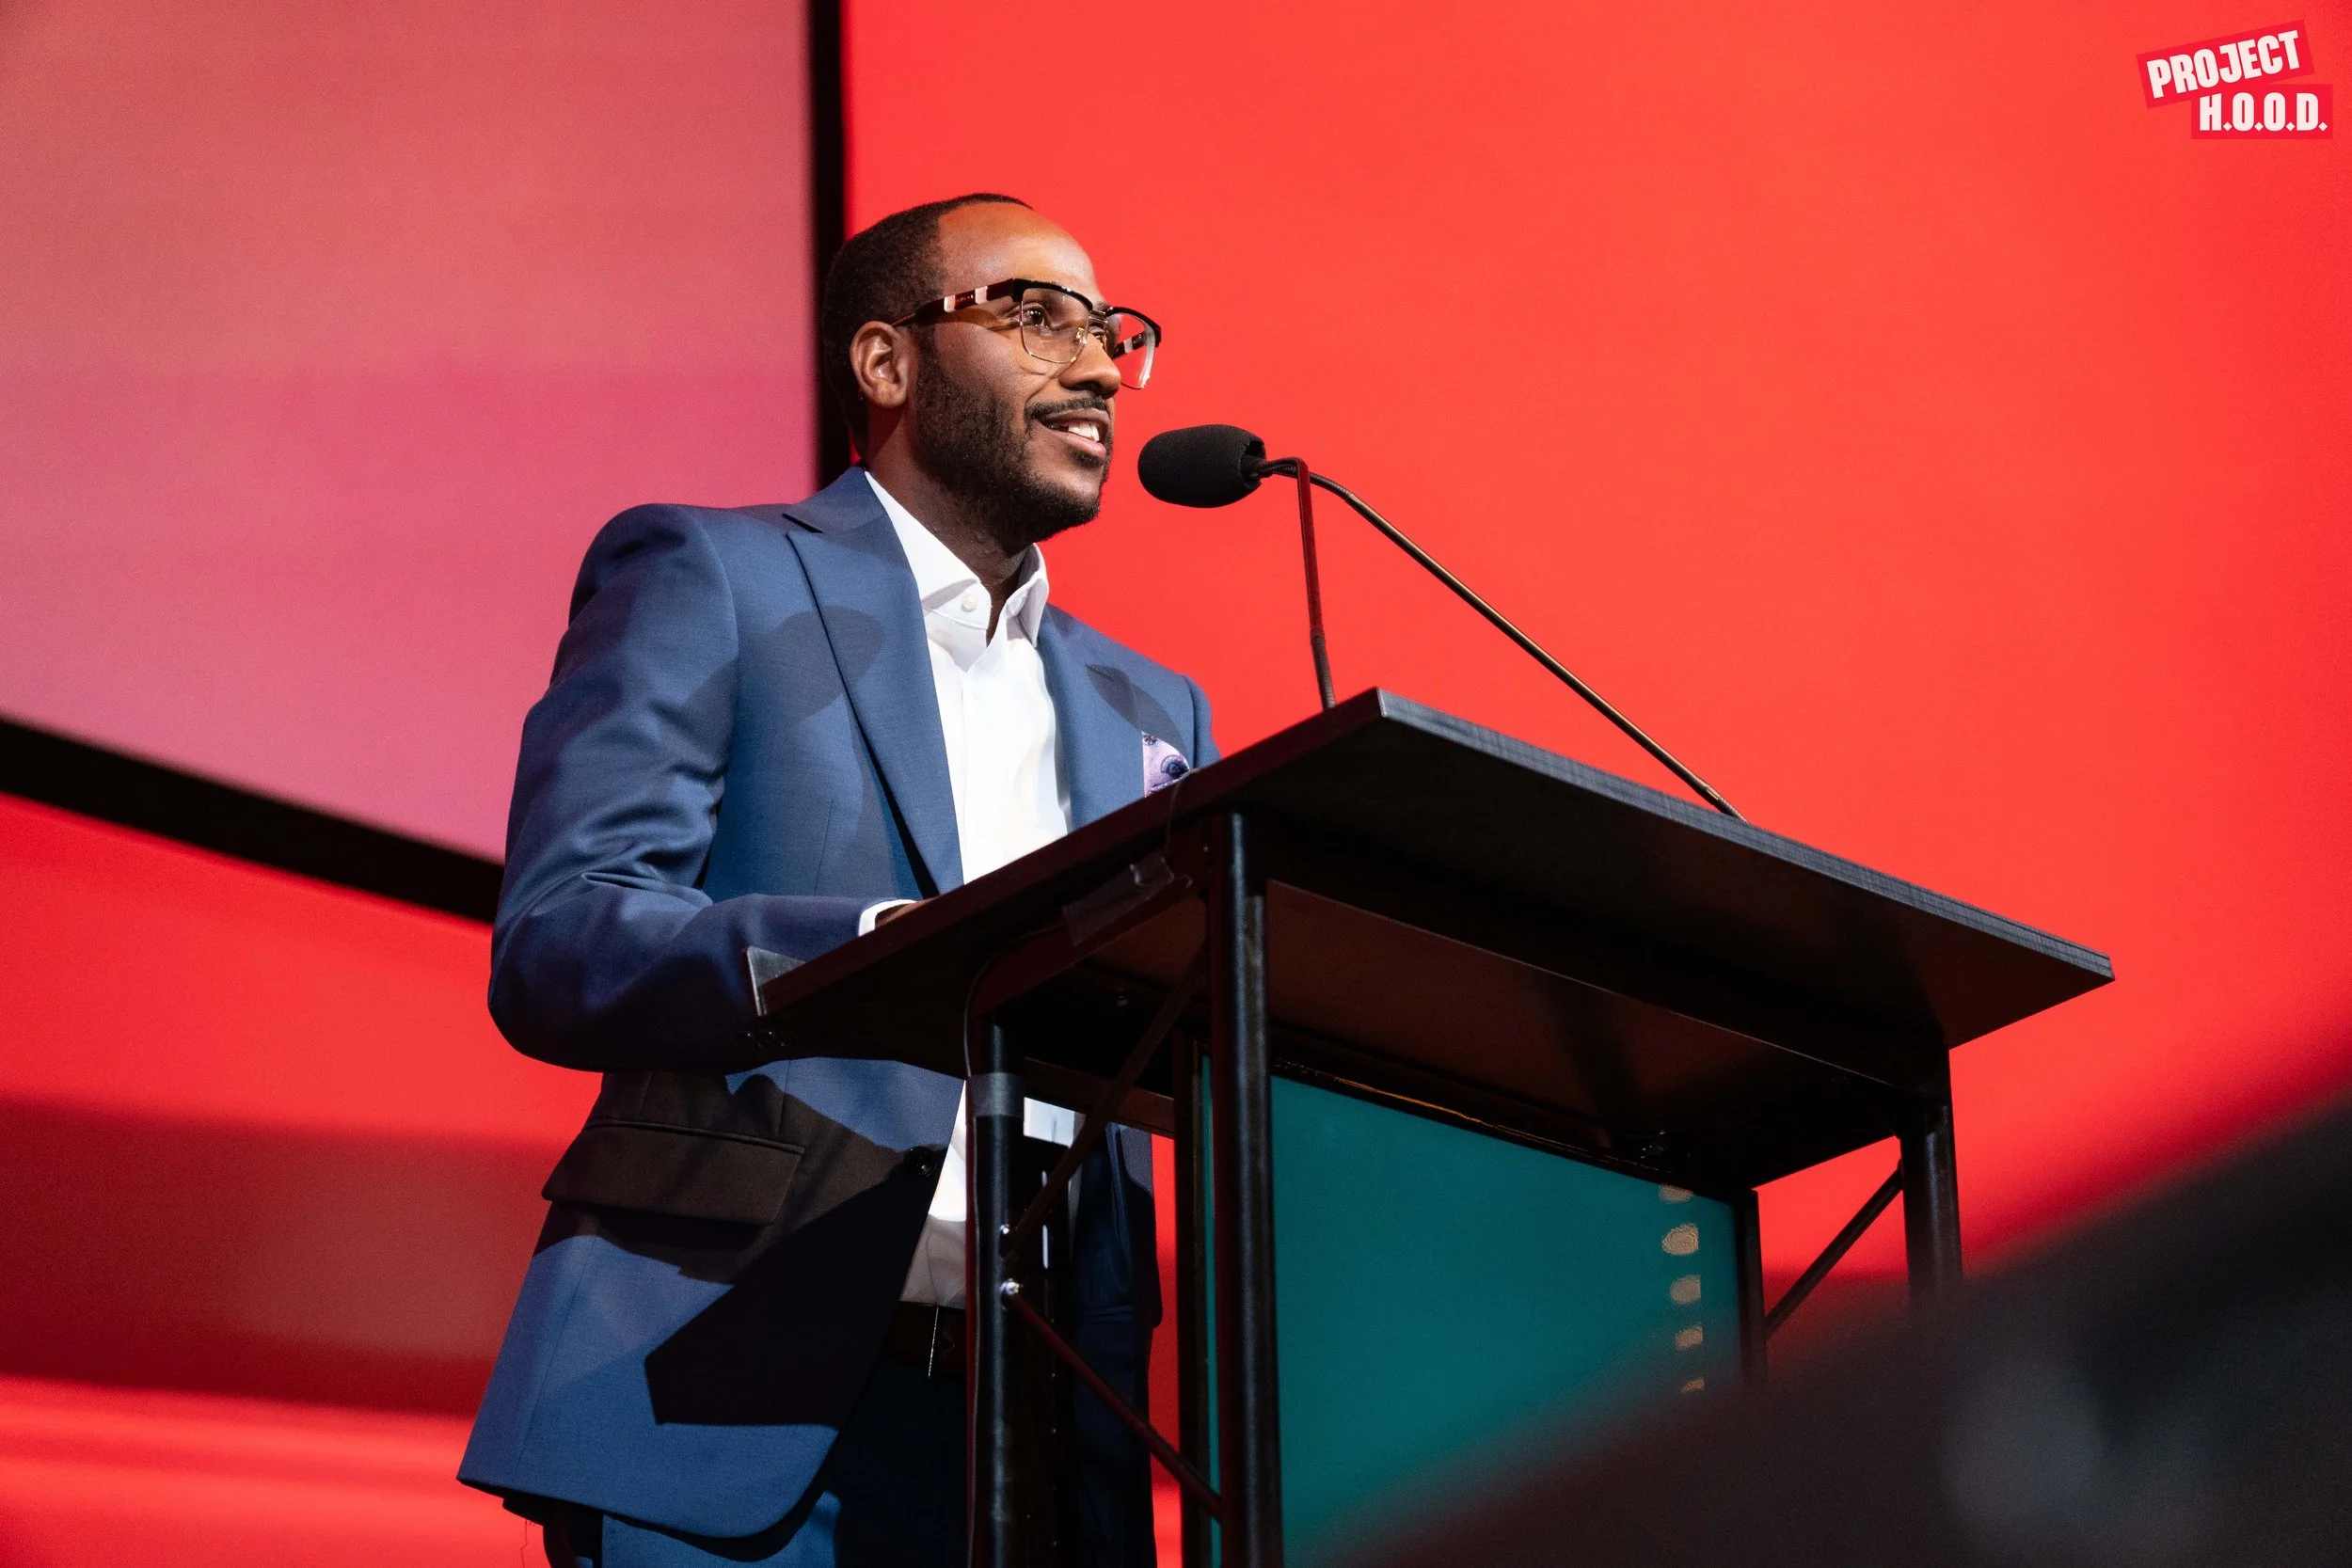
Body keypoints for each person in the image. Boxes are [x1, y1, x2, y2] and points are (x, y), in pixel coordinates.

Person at [458, 193, 1212, 1567]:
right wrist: (874, 955)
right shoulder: (714, 574)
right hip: (726, 1375)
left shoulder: (1150, 704)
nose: (1098, 365)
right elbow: (565, 936)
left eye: (1112, 332)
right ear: (887, 364)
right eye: (1037, 316)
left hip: (1046, 1431)